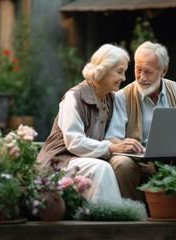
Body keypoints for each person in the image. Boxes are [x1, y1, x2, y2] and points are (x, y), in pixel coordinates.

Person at [105, 41, 176, 216]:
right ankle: (137, 220)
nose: (142, 77)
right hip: (138, 162)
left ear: (164, 71)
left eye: (148, 72)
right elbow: (111, 138)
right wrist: (122, 144)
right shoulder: (122, 97)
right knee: (121, 163)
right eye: (138, 69)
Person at [36, 43, 143, 202]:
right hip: (59, 162)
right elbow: (74, 142)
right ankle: (111, 216)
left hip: (82, 160)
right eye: (119, 72)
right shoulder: (74, 97)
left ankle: (109, 216)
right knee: (102, 168)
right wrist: (112, 147)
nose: (124, 78)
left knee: (111, 166)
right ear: (103, 70)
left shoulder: (111, 99)